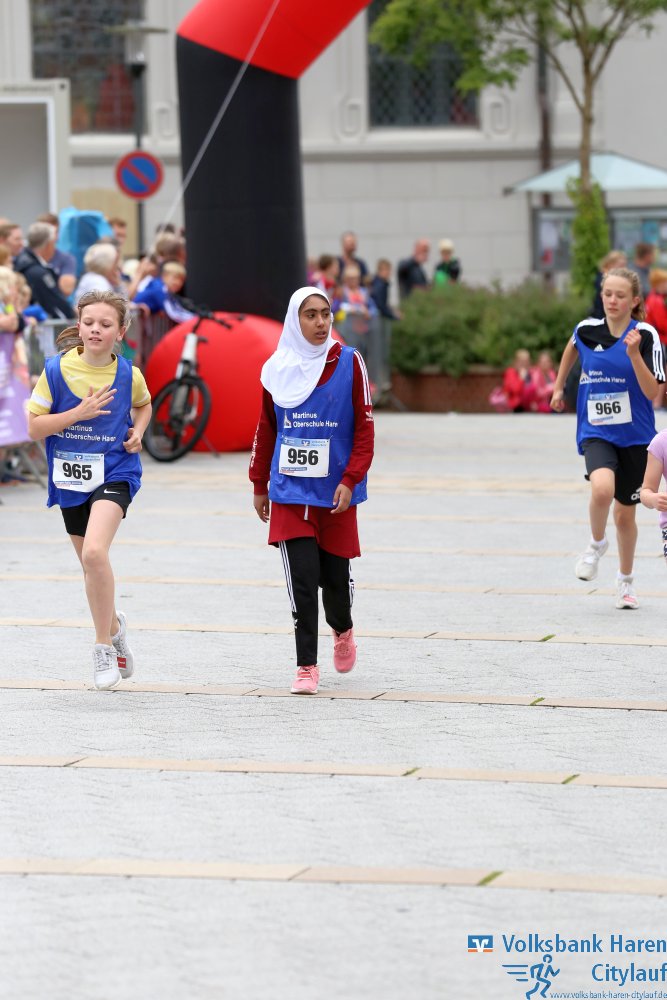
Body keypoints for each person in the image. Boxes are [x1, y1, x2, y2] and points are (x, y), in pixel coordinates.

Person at [249, 286, 374, 695]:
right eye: (311, 315)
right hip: (289, 491)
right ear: (294, 320)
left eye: (325, 314)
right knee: (302, 580)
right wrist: (259, 483)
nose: (321, 322)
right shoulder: (276, 369)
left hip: (335, 494)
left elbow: (365, 429)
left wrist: (350, 479)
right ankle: (306, 666)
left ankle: (343, 628)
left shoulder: (349, 362)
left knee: (334, 585)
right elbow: (266, 428)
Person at [26, 290, 152, 690]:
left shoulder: (129, 374)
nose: (96, 329)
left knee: (96, 553)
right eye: (89, 322)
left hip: (115, 471)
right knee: (90, 565)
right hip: (71, 478)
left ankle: (102, 647)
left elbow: (144, 405)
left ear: (121, 332)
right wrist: (76, 414)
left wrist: (138, 433)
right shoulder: (56, 371)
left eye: (106, 324)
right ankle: (115, 628)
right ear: (78, 327)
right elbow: (34, 427)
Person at [550, 267, 664, 609]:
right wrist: (558, 386)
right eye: (607, 294)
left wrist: (634, 356)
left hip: (636, 437)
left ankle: (625, 582)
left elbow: (653, 392)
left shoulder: (645, 335)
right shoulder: (587, 330)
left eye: (620, 295)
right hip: (596, 430)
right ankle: (596, 544)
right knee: (601, 489)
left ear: (635, 301)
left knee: (625, 516)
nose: (612, 301)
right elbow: (572, 348)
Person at [13, 222, 75, 320]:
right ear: (48, 244)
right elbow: (56, 302)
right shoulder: (38, 272)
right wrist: (72, 315)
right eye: (54, 243)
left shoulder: (20, 261)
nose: (55, 248)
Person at [36, 212, 77, 299]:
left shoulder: (66, 259)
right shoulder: (25, 258)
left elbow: (66, 290)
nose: (49, 237)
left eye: (53, 232)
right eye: (45, 233)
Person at [644, 268, 667, 408]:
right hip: (660, 340)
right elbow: (663, 324)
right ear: (658, 284)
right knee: (662, 371)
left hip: (657, 339)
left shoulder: (652, 298)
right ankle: (657, 403)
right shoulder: (656, 301)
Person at [591, 249, 627, 319]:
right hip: (600, 316)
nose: (624, 269)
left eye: (625, 265)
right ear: (611, 264)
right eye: (621, 266)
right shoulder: (603, 278)